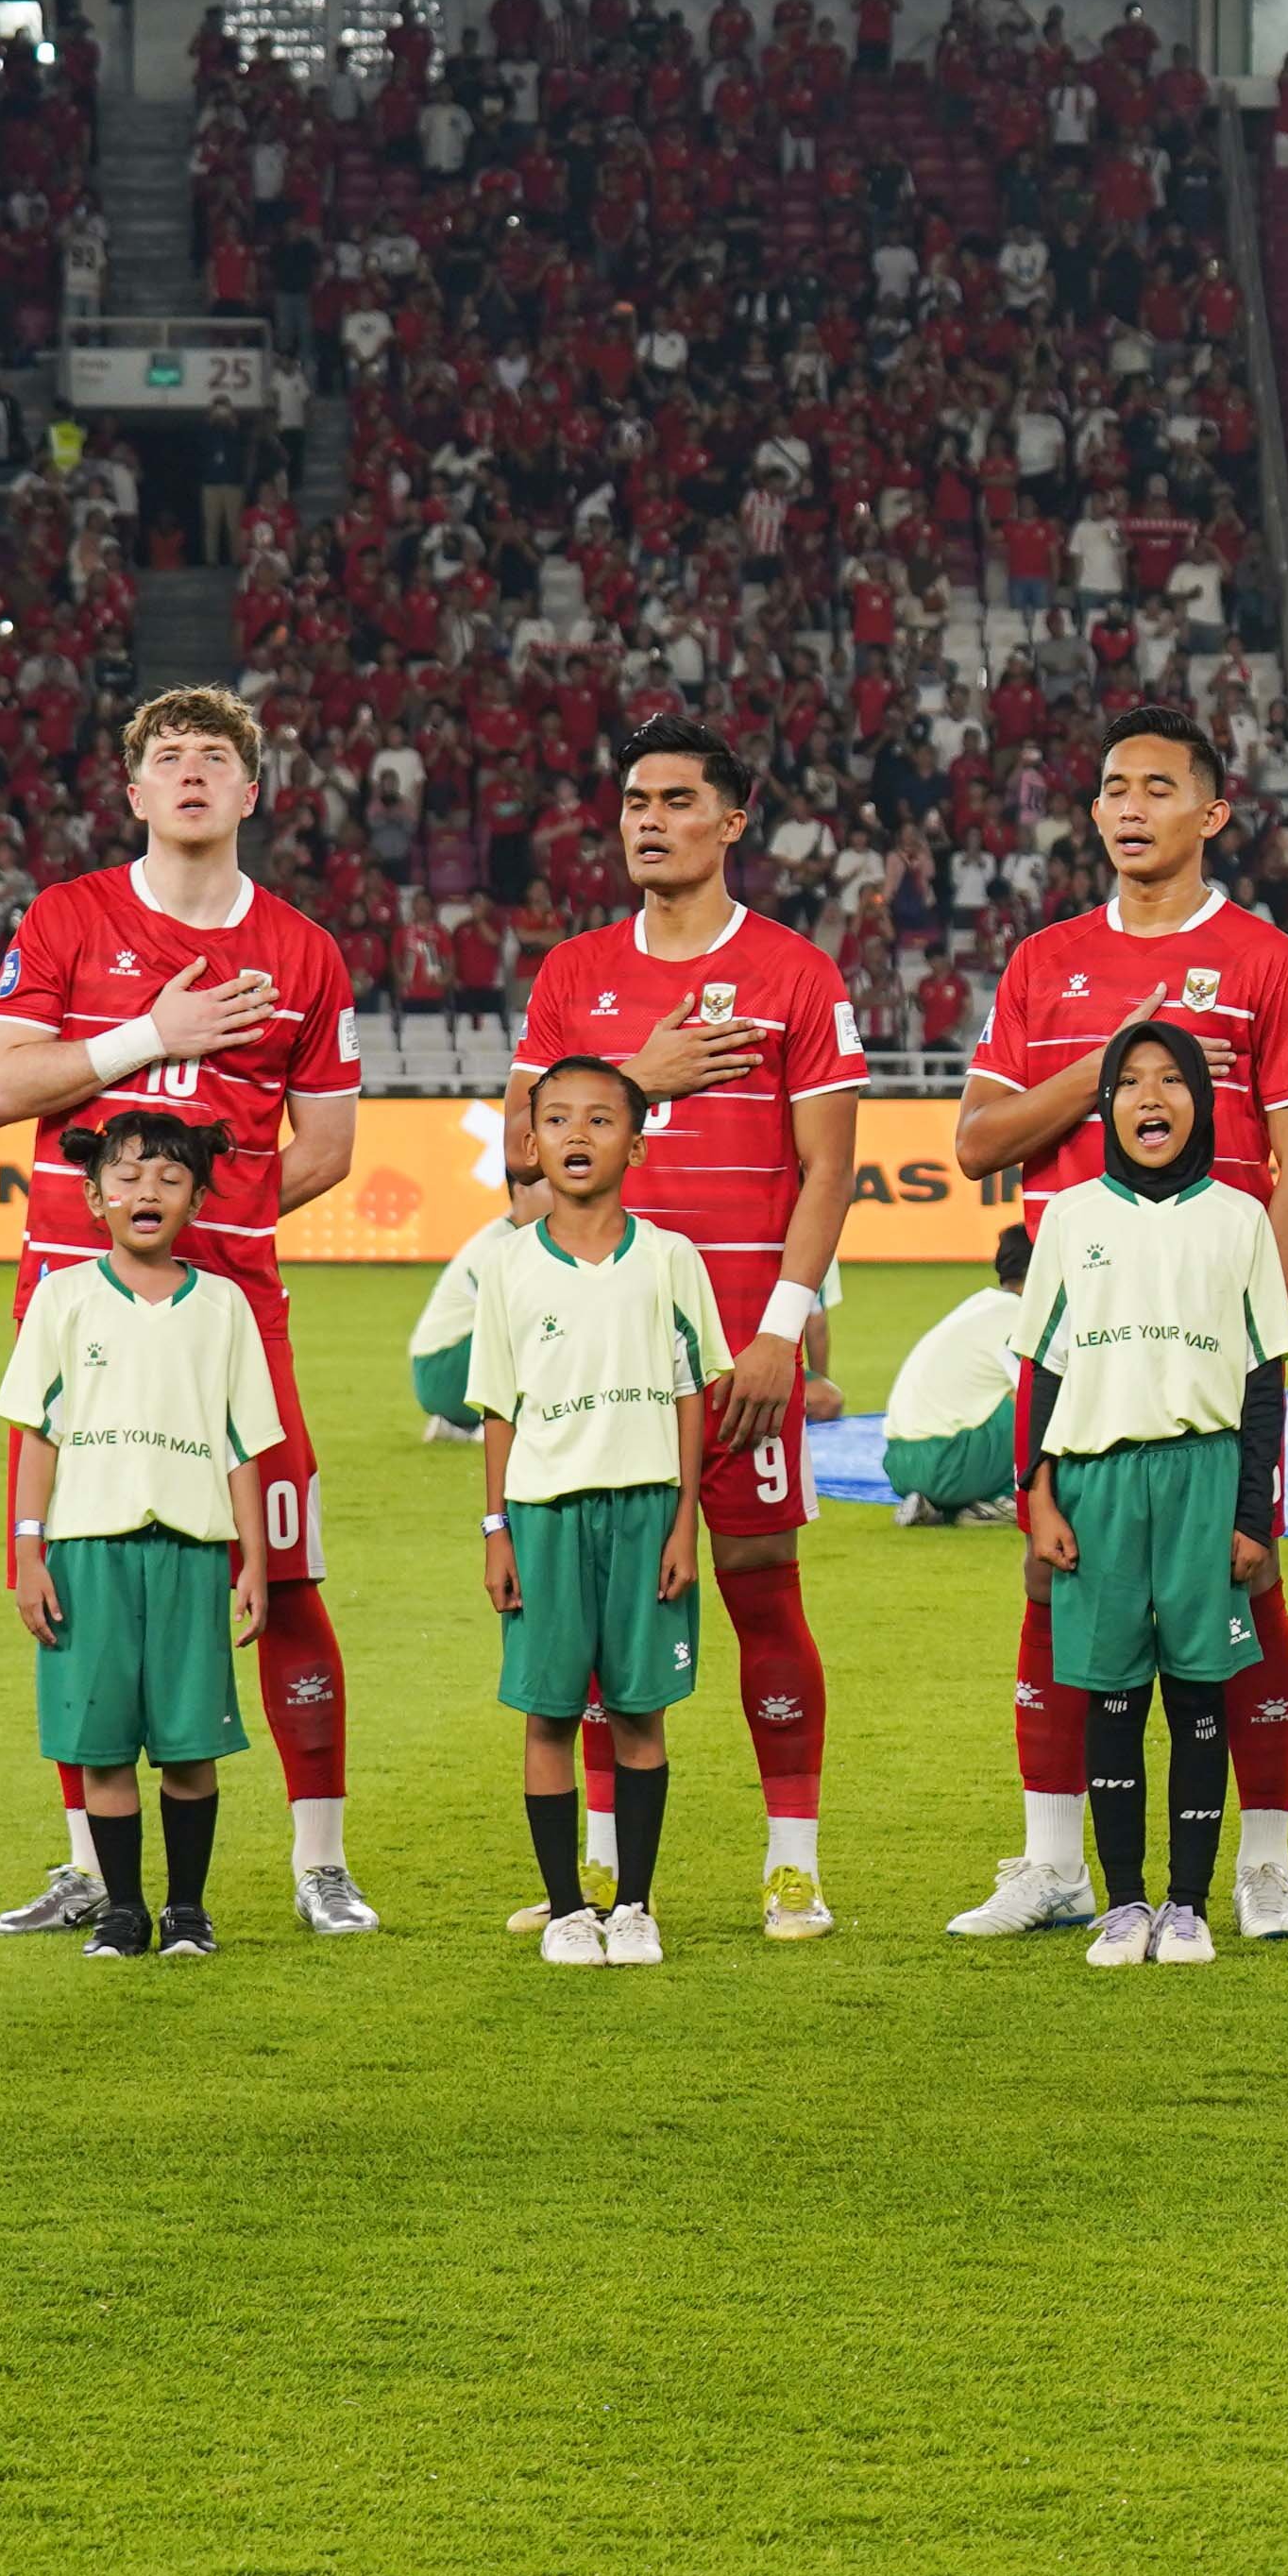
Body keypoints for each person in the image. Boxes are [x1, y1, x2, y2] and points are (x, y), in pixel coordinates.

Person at [0, 687, 370, 1941]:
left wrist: (214, 1224)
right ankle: (92, 1863)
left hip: (235, 1314)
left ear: (254, 791)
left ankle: (321, 1861)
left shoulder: (304, 951)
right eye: (166, 758)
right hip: (73, 1315)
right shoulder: (69, 918)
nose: (190, 772)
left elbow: (331, 1147)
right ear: (133, 791)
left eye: (216, 758)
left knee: (284, 1576)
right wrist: (156, 1031)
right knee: (72, 1578)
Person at [947, 709, 1288, 1946]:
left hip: (1207, 1363)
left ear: (1211, 812)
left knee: (1245, 1582)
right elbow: (975, 1144)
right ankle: (1056, 1861)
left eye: (1156, 787)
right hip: (1078, 1347)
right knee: (1052, 1583)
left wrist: (1245, 1339)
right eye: (1113, 786)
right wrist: (1100, 1069)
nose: (1127, 807)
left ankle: (1261, 1867)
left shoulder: (1270, 963)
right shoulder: (1042, 962)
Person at [512, 714, 869, 1942]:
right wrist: (637, 1078)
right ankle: (603, 1872)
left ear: (732, 820)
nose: (646, 820)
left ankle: (792, 1865)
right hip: (600, 1367)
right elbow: (521, 1153)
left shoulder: (796, 975)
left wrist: (782, 1329)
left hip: (743, 1357)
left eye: (673, 799)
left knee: (764, 1591)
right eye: (631, 801)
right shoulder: (572, 977)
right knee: (607, 1613)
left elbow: (828, 1170)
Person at [1013, 1026, 1288, 1972]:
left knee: (1200, 1692)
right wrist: (1038, 1496)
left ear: (1199, 1104)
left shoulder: (1240, 1218)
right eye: (1130, 1081)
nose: (1151, 1098)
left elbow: (1263, 1379)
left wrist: (1252, 1516)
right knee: (1114, 1698)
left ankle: (1188, 1904)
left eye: (1172, 1080)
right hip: (1095, 1482)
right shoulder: (1070, 1217)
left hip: (1203, 1476)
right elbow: (1043, 1369)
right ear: (1105, 1105)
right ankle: (1125, 1901)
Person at [0, 1109, 276, 1965]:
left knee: (191, 1744)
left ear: (194, 1198)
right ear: (93, 1196)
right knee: (102, 1744)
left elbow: (242, 1443)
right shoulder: (64, 1296)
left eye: (168, 1176)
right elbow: (37, 1434)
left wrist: (254, 1561)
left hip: (191, 1552)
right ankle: (123, 1911)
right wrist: (28, 1551)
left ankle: (187, 1911)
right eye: (125, 1175)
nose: (145, 1190)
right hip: (86, 1553)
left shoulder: (223, 1305)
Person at [474, 1057, 730, 1970]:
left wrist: (684, 1522)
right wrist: (496, 1529)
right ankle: (565, 1908)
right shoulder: (505, 1266)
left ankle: (634, 1905)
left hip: (645, 1509)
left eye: (600, 1120)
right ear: (532, 1141)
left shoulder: (668, 1259)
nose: (577, 1136)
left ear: (638, 1140)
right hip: (542, 1515)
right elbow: (498, 1409)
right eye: (558, 1120)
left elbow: (692, 1394)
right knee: (546, 1715)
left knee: (638, 1712)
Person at [885, 1227, 1038, 1523]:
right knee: (1044, 1393)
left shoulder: (980, 1306)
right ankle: (1004, 1499)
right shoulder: (1021, 1317)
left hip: (900, 1464)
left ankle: (940, 1503)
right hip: (948, 1463)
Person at [411, 1207, 529, 1442]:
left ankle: (462, 1428)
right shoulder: (498, 1246)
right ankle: (505, 1421)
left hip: (443, 1367)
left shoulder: (515, 1236)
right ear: (522, 1191)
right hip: (442, 1368)